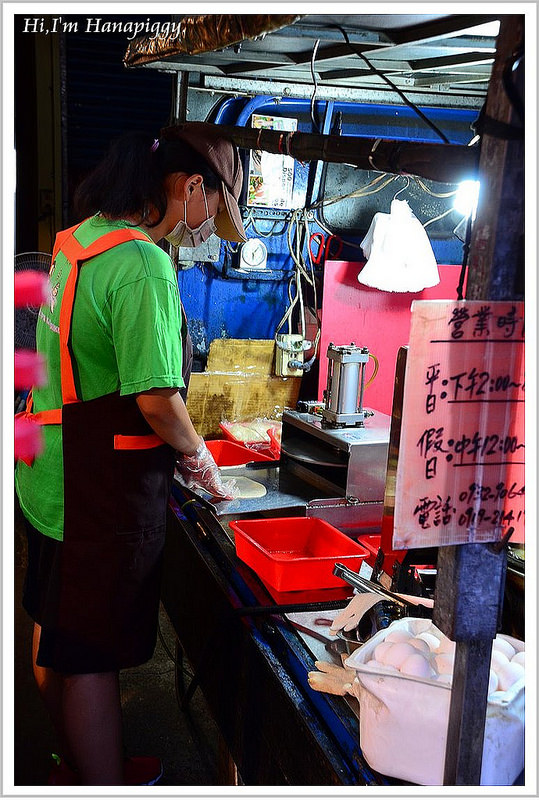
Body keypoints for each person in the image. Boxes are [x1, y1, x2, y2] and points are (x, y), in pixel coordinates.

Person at [14, 122, 247, 785]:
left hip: (49, 472)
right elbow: (157, 400)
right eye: (213, 209)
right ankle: (103, 782)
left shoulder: (82, 238)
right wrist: (199, 458)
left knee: (54, 625)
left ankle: (77, 761)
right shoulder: (143, 263)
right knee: (91, 656)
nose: (206, 229)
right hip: (99, 489)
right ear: (193, 187)